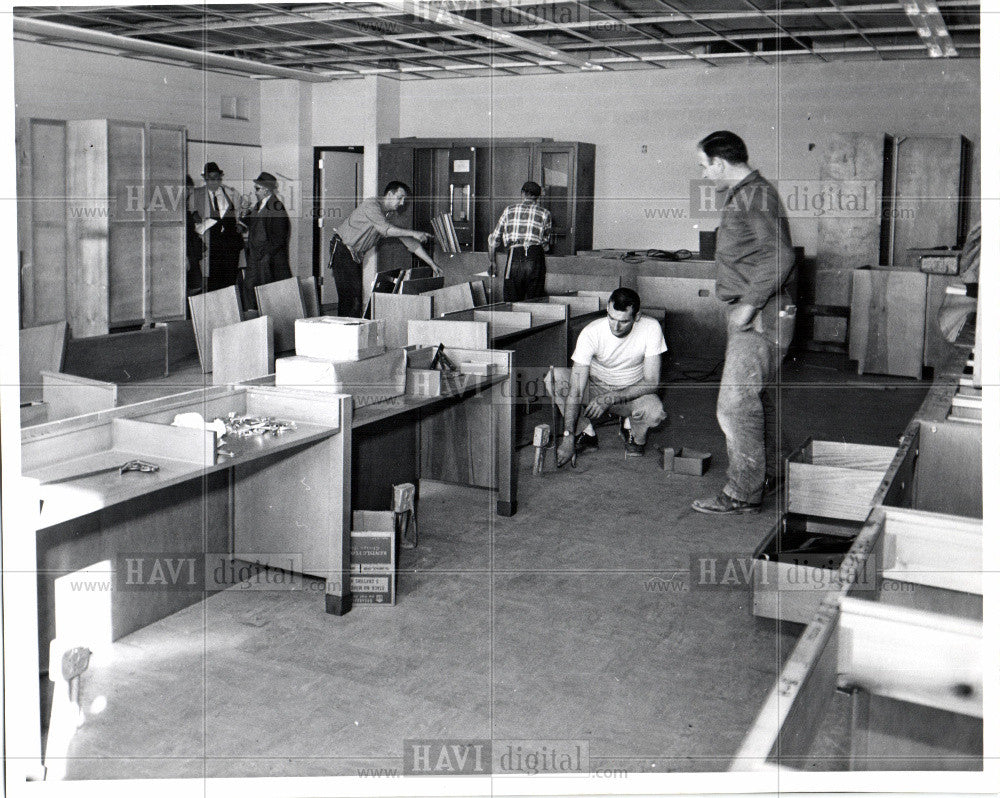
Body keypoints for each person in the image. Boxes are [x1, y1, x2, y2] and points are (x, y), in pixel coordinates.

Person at [691, 131, 796, 515]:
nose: (704, 176)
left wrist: (749, 306)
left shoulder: (753, 195)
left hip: (762, 316)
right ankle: (773, 469)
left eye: (704, 167)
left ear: (720, 162)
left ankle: (741, 493)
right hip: (766, 313)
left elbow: (782, 257)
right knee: (752, 395)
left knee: (734, 404)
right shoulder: (752, 193)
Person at [549, 287, 668, 467]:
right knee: (555, 378)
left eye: (623, 321)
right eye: (611, 318)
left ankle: (632, 428)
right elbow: (576, 388)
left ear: (637, 316)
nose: (616, 326)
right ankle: (585, 432)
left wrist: (610, 398)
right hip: (596, 389)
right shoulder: (591, 332)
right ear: (607, 309)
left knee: (654, 411)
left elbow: (652, 382)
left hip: (631, 393)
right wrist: (568, 436)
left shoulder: (651, 327)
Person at [329, 181, 441, 317]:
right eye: (400, 198)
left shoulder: (389, 215)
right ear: (389, 194)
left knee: (355, 298)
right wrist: (413, 232)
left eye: (404, 199)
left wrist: (432, 264)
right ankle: (346, 334)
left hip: (354, 255)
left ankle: (353, 332)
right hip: (342, 249)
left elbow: (411, 243)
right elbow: (386, 230)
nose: (402, 203)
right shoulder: (372, 205)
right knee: (350, 299)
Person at [487, 180, 552, 301]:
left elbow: (494, 240)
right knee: (535, 300)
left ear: (522, 193)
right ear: (538, 197)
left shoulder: (509, 210)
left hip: (515, 255)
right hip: (535, 255)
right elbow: (545, 244)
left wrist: (492, 262)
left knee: (512, 302)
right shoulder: (545, 213)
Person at [188, 162, 245, 294]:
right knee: (213, 283)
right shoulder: (196, 195)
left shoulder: (231, 193)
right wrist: (197, 220)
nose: (213, 181)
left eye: (216, 177)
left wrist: (241, 224)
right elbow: (190, 217)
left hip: (231, 245)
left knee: (230, 282)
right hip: (211, 245)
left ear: (220, 177)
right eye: (210, 178)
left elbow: (243, 211)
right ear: (205, 178)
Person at [240, 171, 291, 310]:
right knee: (249, 286)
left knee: (266, 292)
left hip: (266, 257)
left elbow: (279, 237)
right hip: (255, 256)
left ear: (266, 190)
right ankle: (251, 316)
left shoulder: (277, 207)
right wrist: (244, 211)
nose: (255, 192)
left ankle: (264, 319)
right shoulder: (259, 205)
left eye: (257, 189)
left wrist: (265, 253)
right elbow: (252, 223)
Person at [184, 175, 205, 295]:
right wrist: (185, 257)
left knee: (195, 287)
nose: (190, 193)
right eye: (188, 189)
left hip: (191, 254)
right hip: (188, 255)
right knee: (193, 288)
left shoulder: (184, 207)